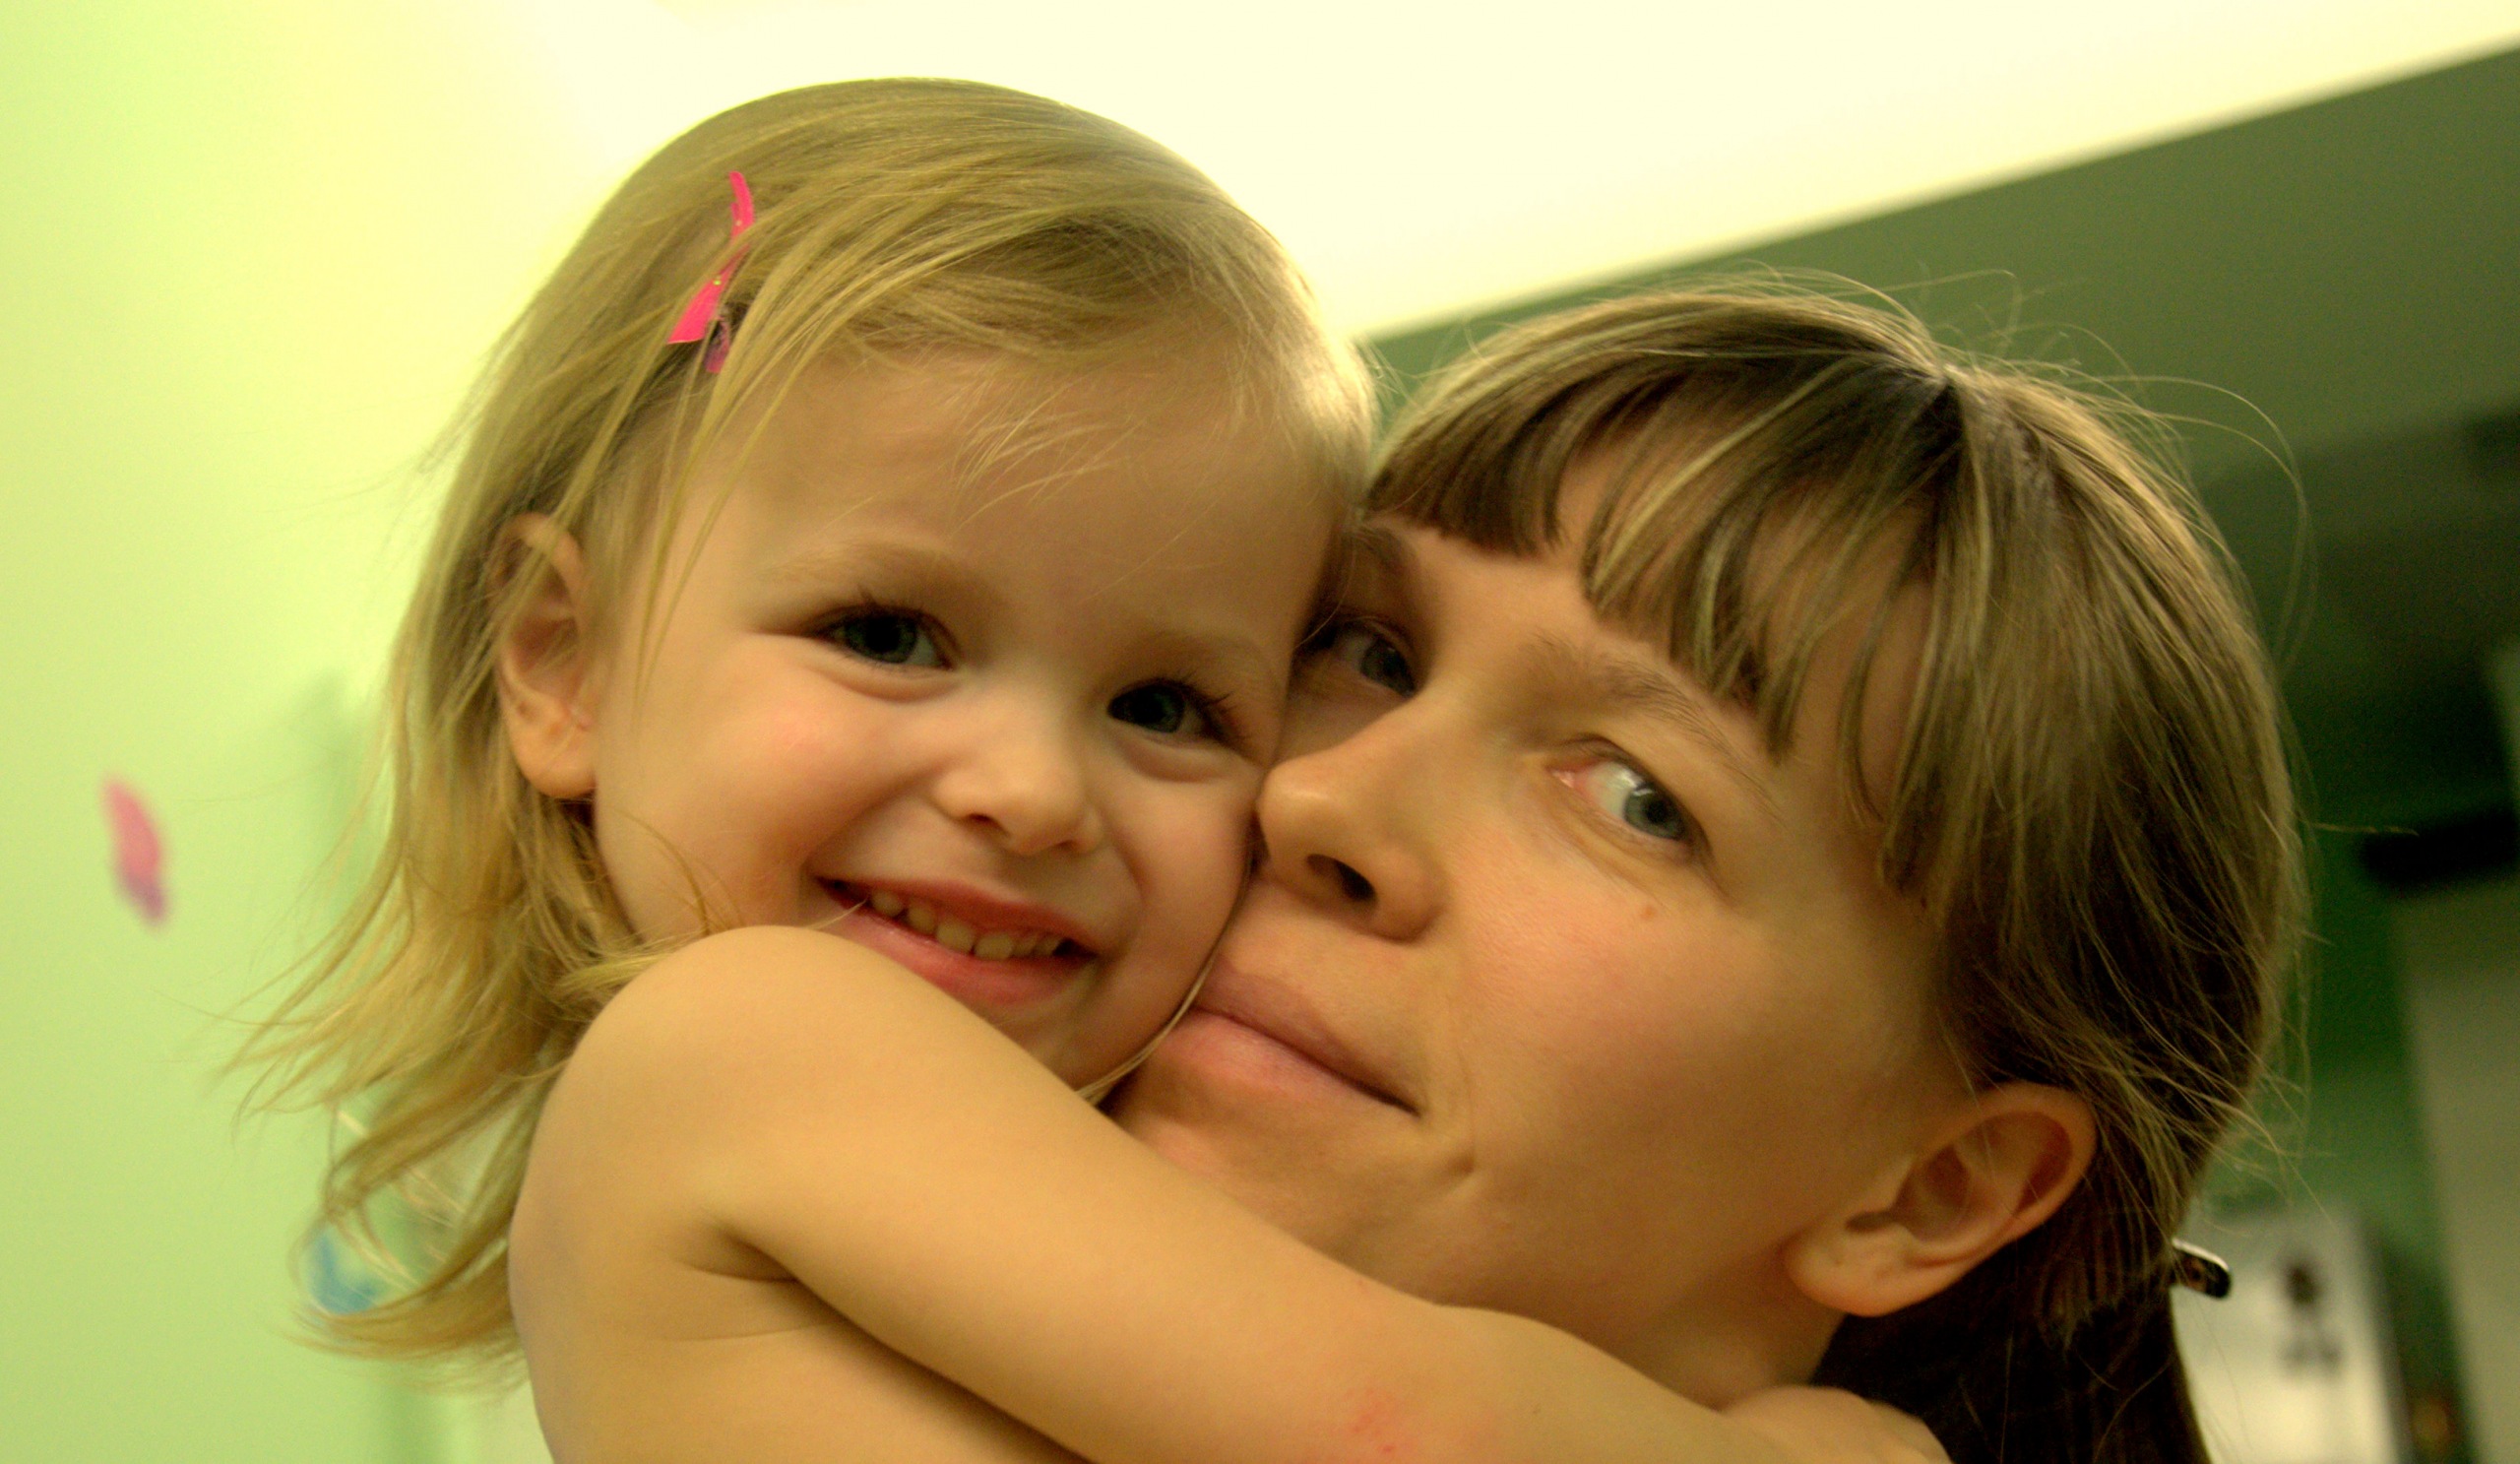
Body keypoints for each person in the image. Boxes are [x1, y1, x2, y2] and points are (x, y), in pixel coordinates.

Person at [242, 78, 1946, 1462]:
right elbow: (1396, 1430)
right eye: (890, 635)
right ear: (564, 662)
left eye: (1167, 707)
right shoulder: (739, 1041)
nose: (1033, 791)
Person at [499, 286, 2296, 1463]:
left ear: (1934, 1192)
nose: (1317, 799)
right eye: (1365, 650)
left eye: (1638, 797)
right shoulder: (744, 1071)